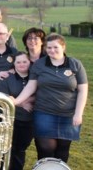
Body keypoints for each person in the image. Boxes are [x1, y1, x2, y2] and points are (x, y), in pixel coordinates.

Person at [13, 34, 87, 163]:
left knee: (63, 148)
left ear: (63, 47)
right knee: (46, 147)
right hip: (44, 112)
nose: (52, 50)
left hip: (68, 114)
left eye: (55, 47)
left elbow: (83, 90)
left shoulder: (75, 64)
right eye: (49, 47)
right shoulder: (39, 65)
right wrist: (16, 101)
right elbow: (31, 86)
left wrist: (78, 114)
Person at [0, 52, 34, 170]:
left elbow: (41, 93)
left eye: (24, 61)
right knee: (8, 145)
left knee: (22, 147)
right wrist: (23, 103)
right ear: (14, 64)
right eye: (18, 62)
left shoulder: (35, 77)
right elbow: (3, 97)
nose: (21, 64)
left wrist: (27, 100)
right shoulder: (7, 79)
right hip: (11, 118)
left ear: (29, 62)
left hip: (29, 119)